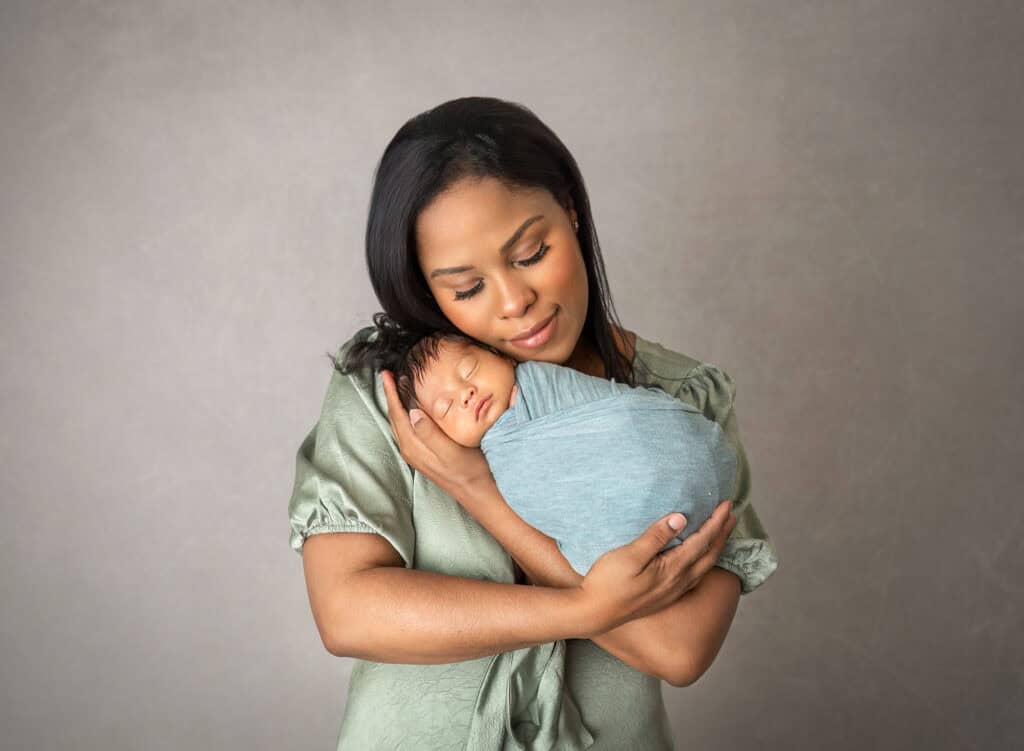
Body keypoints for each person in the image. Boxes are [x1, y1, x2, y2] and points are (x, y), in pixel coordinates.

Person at [288, 96, 779, 750]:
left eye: (531, 251)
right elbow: (348, 611)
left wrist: (477, 491)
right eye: (466, 288)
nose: (516, 302)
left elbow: (679, 646)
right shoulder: (396, 394)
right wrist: (585, 607)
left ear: (570, 212)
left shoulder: (679, 401)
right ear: (426, 289)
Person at [387, 329, 739, 578]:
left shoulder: (542, 383)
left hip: (682, 458)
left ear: (502, 356)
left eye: (469, 371)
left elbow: (621, 418)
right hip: (648, 538)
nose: (465, 394)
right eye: (446, 407)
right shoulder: (492, 460)